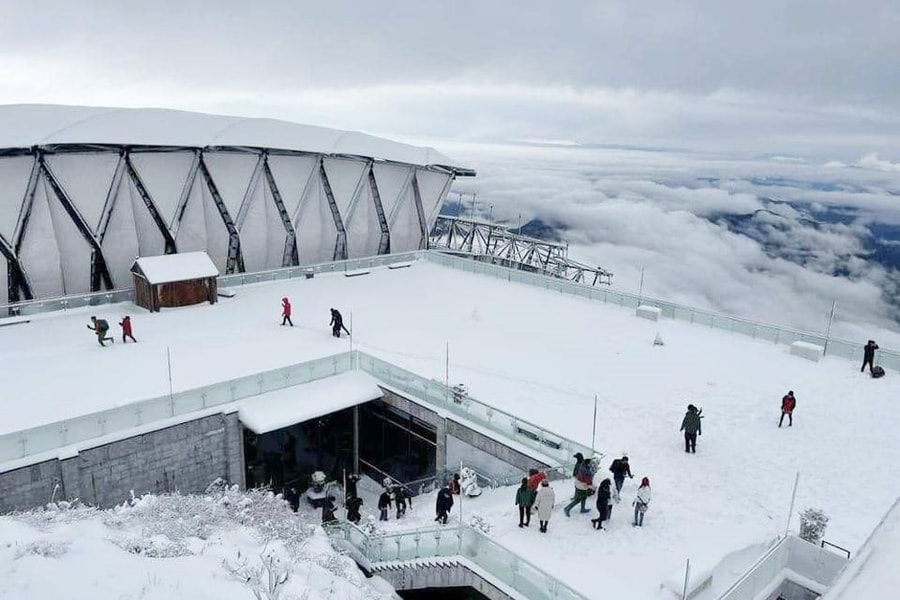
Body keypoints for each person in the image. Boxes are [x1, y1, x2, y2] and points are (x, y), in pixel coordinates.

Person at [564, 452, 595, 517]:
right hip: (582, 486)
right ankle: (567, 508)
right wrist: (592, 487)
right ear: (588, 464)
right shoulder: (587, 471)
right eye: (591, 463)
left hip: (578, 484)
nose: (592, 464)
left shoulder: (581, 465)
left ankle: (582, 509)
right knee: (578, 500)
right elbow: (588, 481)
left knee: (584, 497)